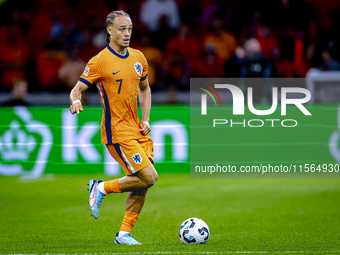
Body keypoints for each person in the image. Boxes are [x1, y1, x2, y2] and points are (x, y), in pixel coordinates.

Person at [69, 10, 158, 245]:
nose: (127, 33)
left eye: (129, 29)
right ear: (109, 30)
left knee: (141, 183)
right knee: (149, 177)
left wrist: (146, 119)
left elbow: (145, 89)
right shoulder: (99, 61)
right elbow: (77, 88)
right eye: (121, 29)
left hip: (136, 130)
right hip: (116, 132)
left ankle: (124, 234)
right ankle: (101, 188)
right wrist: (76, 100)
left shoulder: (139, 57)